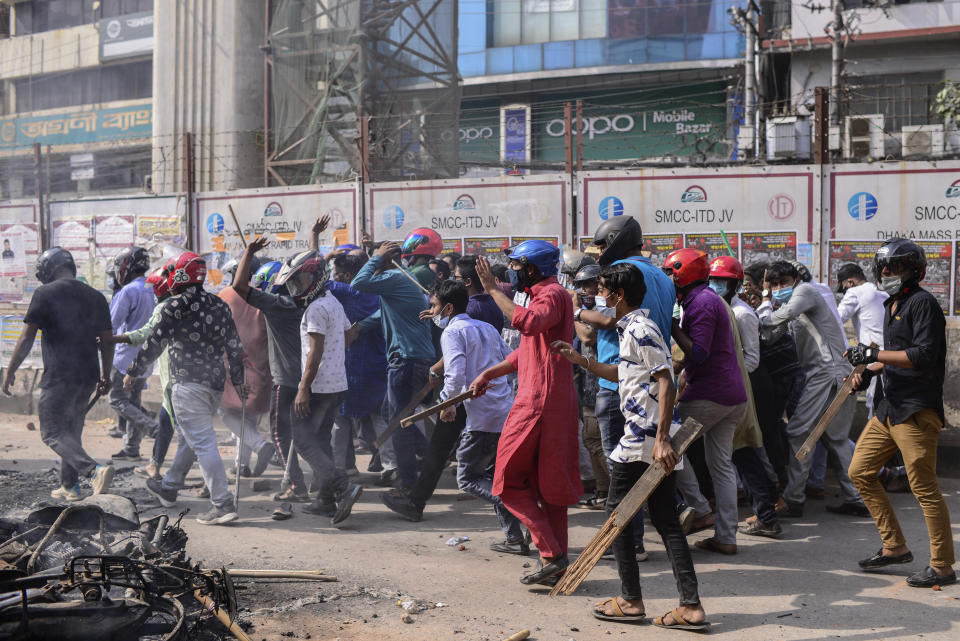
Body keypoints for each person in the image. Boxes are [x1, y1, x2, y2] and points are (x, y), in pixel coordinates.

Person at [552, 264, 708, 630]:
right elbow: (625, 373)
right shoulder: (634, 329)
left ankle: (631, 600)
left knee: (618, 520)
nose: (598, 295)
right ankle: (690, 606)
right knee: (666, 521)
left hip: (643, 442)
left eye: (603, 289)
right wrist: (583, 361)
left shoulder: (640, 329)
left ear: (619, 295)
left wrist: (663, 440)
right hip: (647, 440)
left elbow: (665, 381)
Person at [846, 239, 955, 588]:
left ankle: (942, 566)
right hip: (888, 408)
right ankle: (894, 546)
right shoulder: (894, 303)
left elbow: (921, 355)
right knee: (860, 470)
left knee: (924, 489)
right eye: (885, 269)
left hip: (915, 411)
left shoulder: (923, 304)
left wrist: (871, 352)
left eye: (897, 268)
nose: (889, 274)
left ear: (915, 272)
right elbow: (892, 356)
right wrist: (867, 370)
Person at [470, 240, 579, 586]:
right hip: (551, 399)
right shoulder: (548, 293)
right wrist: (490, 373)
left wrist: (490, 289)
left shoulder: (549, 294)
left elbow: (529, 324)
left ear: (532, 269)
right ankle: (557, 564)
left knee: (504, 483)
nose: (513, 273)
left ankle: (552, 553)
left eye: (517, 267)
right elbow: (527, 352)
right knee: (550, 487)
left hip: (538, 402)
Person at [580, 215, 677, 553]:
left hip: (619, 384)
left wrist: (578, 313)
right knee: (643, 468)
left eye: (603, 246)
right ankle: (644, 537)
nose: (600, 253)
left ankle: (628, 543)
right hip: (650, 385)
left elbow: (609, 319)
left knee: (620, 469)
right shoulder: (663, 277)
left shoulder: (618, 273)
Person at [135, 252, 246, 526]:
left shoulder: (175, 305)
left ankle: (221, 504)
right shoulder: (219, 305)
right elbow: (234, 346)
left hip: (187, 384)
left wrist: (133, 372)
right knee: (194, 437)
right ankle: (170, 486)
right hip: (214, 385)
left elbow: (154, 341)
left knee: (203, 442)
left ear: (179, 274)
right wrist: (240, 381)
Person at [3, 247, 115, 500]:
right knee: (71, 431)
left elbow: (27, 336)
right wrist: (105, 375)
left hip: (60, 375)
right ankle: (69, 486)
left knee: (52, 432)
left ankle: (93, 471)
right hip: (87, 375)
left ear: (46, 270)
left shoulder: (45, 293)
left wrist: (10, 371)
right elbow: (107, 341)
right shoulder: (96, 296)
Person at [758, 261, 868, 518]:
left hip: (827, 372)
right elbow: (771, 335)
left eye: (783, 283)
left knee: (797, 431)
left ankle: (794, 499)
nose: (779, 288)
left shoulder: (804, 292)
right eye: (774, 285)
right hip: (831, 373)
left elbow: (777, 319)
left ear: (795, 280)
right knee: (836, 439)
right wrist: (766, 313)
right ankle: (857, 498)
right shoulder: (789, 305)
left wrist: (764, 303)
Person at [233, 224, 326, 503]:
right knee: (309, 435)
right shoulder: (313, 299)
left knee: (281, 435)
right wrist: (314, 238)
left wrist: (248, 253)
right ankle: (322, 482)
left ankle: (298, 486)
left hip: (285, 381)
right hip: (311, 379)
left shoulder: (277, 305)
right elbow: (316, 264)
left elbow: (239, 286)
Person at [663, 248, 747, 555]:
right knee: (721, 466)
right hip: (732, 395)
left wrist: (671, 326)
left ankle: (699, 509)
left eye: (671, 273)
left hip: (710, 395)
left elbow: (698, 353)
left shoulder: (701, 302)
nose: (668, 279)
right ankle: (726, 536)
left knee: (668, 446)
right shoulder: (706, 299)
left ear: (682, 273)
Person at [430, 280, 524, 551]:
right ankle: (514, 538)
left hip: (483, 417)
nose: (433, 312)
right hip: (502, 410)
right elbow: (509, 362)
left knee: (468, 478)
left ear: (448, 307)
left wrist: (447, 403)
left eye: (435, 306)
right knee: (495, 478)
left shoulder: (452, 332)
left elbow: (455, 373)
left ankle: (520, 508)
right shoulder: (485, 327)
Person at [277, 250, 364, 524]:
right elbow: (353, 331)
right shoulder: (332, 302)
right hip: (337, 383)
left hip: (318, 386)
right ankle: (325, 501)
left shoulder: (316, 308)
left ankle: (342, 485)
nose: (297, 288)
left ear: (316, 278)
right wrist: (336, 355)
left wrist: (304, 388)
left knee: (302, 440)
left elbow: (314, 353)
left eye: (301, 281)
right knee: (321, 441)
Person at [350, 240, 435, 490]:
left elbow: (358, 283)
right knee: (391, 414)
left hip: (407, 360)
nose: (371, 266)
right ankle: (428, 458)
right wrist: (360, 327)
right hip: (413, 357)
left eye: (375, 261)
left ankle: (409, 486)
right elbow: (384, 313)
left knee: (400, 425)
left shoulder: (396, 277)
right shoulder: (401, 282)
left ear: (387, 262)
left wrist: (376, 258)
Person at [707, 256, 782, 539]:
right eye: (713, 281)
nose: (716, 286)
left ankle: (767, 512)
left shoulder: (741, 314)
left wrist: (725, 374)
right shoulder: (720, 308)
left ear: (735, 285)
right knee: (741, 453)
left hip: (742, 388)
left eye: (722, 282)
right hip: (728, 387)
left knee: (745, 452)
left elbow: (751, 359)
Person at [328, 253, 388, 477]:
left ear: (347, 275)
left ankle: (340, 468)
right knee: (380, 416)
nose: (334, 277)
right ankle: (393, 467)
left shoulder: (347, 291)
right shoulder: (379, 291)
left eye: (336, 273)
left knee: (341, 418)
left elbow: (312, 280)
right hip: (378, 363)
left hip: (354, 366)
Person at [117, 262, 178, 482]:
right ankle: (154, 464)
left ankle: (176, 477)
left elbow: (149, 337)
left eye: (155, 289)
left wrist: (119, 340)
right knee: (166, 421)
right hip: (172, 376)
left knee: (187, 432)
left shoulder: (166, 307)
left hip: (174, 378)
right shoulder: (182, 303)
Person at [218, 257, 277, 478]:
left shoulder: (225, 295)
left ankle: (260, 446)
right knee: (247, 415)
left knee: (225, 411)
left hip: (231, 363)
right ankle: (241, 464)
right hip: (259, 364)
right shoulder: (262, 298)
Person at [108, 246, 159, 461]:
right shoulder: (154, 288)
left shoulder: (128, 291)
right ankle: (131, 448)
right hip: (146, 359)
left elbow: (112, 324)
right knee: (134, 402)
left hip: (125, 358)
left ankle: (153, 429)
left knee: (117, 399)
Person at [570, 263, 609, 509]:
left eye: (589, 284)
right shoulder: (588, 309)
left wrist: (573, 310)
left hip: (603, 385)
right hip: (589, 386)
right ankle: (604, 490)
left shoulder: (602, 309)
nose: (585, 290)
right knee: (591, 440)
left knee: (599, 442)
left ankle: (618, 489)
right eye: (581, 285)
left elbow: (587, 337)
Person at [836, 262, 888, 416]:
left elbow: (836, 319)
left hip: (874, 359)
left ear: (850, 282)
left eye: (844, 287)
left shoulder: (855, 292)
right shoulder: (882, 292)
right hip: (891, 356)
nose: (845, 291)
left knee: (876, 407)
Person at [455, 254, 505, 333]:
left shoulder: (466, 309)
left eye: (456, 278)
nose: (454, 281)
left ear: (467, 282)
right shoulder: (495, 303)